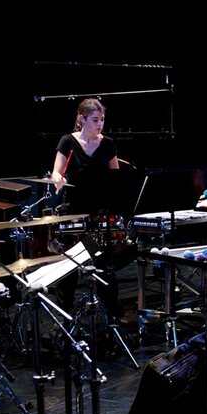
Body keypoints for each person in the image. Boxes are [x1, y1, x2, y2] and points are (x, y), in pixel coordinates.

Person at [48, 98, 126, 324]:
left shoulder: (108, 143)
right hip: (73, 213)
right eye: (95, 120)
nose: (100, 124)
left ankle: (111, 319)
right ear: (82, 119)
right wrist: (58, 179)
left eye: (102, 120)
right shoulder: (67, 141)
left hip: (98, 214)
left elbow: (116, 178)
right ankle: (65, 320)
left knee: (104, 268)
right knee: (69, 271)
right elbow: (56, 172)